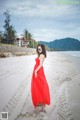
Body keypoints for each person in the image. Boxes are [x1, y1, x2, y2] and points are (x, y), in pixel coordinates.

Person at [31, 43, 50, 113]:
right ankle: (40, 102)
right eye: (38, 49)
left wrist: (35, 71)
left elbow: (40, 65)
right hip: (38, 72)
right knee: (37, 87)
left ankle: (43, 105)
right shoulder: (40, 54)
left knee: (42, 87)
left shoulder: (42, 55)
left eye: (40, 49)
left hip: (39, 72)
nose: (38, 50)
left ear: (42, 49)